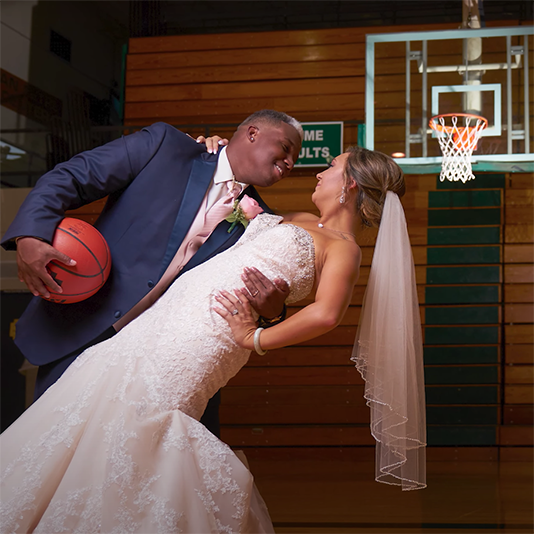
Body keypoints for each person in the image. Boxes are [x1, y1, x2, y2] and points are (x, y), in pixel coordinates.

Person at [0, 146, 426, 533]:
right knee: (103, 394)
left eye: (332, 168)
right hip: (163, 319)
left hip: (204, 338)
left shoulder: (344, 247)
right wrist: (219, 151)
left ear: (350, 182)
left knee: (147, 414)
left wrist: (257, 337)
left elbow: (326, 314)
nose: (320, 173)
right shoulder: (294, 218)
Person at [1, 110, 303, 436]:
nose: (289, 162)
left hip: (160, 361)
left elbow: (247, 296)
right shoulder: (166, 146)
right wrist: (30, 234)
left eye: (295, 158)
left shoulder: (261, 222)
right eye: (285, 148)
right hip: (84, 327)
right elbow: (73, 176)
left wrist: (272, 313)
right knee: (49, 447)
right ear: (253, 133)